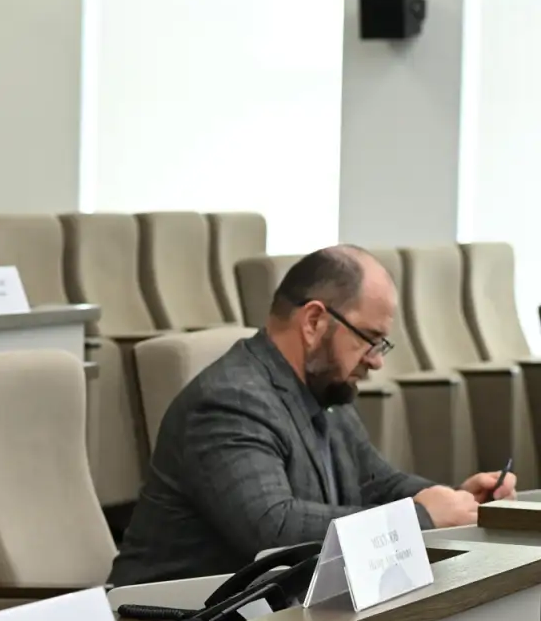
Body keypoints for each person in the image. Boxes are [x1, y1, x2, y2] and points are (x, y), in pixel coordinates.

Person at [110, 246, 514, 586]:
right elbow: (274, 530)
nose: (376, 361)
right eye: (370, 339)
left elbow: (376, 483)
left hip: (259, 615)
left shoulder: (324, 391)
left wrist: (455, 502)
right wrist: (420, 517)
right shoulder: (230, 401)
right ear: (314, 322)